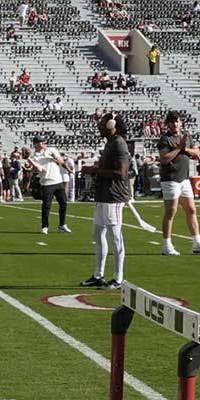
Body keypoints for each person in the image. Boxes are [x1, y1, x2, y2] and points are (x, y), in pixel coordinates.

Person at [80, 114, 130, 289]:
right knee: (98, 234)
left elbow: (121, 173)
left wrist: (94, 170)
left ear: (111, 125)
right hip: (104, 195)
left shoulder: (119, 144)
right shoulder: (111, 142)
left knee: (115, 237)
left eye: (102, 123)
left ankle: (118, 278)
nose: (99, 126)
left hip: (113, 196)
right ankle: (98, 274)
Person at [156, 112, 200, 256]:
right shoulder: (165, 139)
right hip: (170, 179)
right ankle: (166, 245)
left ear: (181, 123)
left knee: (191, 210)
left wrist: (184, 148)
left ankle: (197, 243)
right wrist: (178, 148)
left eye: (177, 121)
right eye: (172, 122)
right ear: (167, 124)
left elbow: (196, 152)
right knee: (171, 211)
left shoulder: (186, 137)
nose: (175, 124)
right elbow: (164, 158)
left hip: (184, 179)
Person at [31, 137, 70, 234]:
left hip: (58, 180)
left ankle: (62, 225)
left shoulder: (52, 150)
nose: (43, 143)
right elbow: (38, 169)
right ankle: (45, 226)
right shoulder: (35, 156)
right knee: (46, 206)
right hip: (47, 182)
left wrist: (54, 157)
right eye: (41, 141)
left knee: (63, 203)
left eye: (43, 141)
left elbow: (61, 161)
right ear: (36, 143)